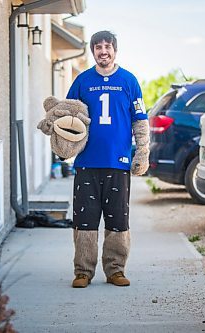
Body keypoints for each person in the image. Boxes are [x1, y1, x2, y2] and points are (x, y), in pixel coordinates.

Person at [66, 30, 150, 288]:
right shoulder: (82, 81)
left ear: (115, 50)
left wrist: (142, 152)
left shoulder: (129, 80)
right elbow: (66, 116)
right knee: (85, 218)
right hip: (86, 163)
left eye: (108, 46)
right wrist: (62, 144)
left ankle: (115, 270)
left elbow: (140, 119)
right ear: (92, 51)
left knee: (117, 219)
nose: (103, 51)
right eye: (98, 47)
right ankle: (83, 272)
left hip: (118, 162)